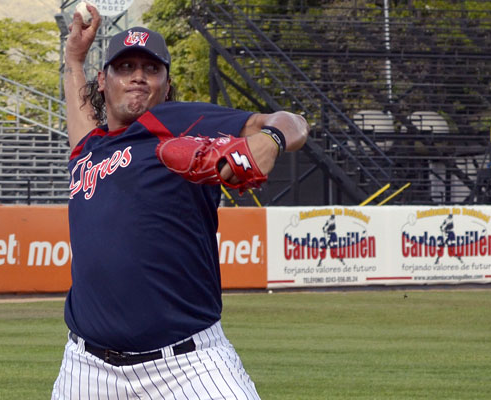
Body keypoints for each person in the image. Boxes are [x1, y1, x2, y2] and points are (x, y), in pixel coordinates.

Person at [51, 5, 308, 399]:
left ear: (166, 86)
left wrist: (270, 139)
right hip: (87, 368)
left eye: (151, 69)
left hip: (186, 365)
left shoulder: (177, 122)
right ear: (102, 81)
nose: (138, 76)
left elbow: (291, 122)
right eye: (125, 67)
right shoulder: (90, 150)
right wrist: (74, 60)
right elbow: (81, 124)